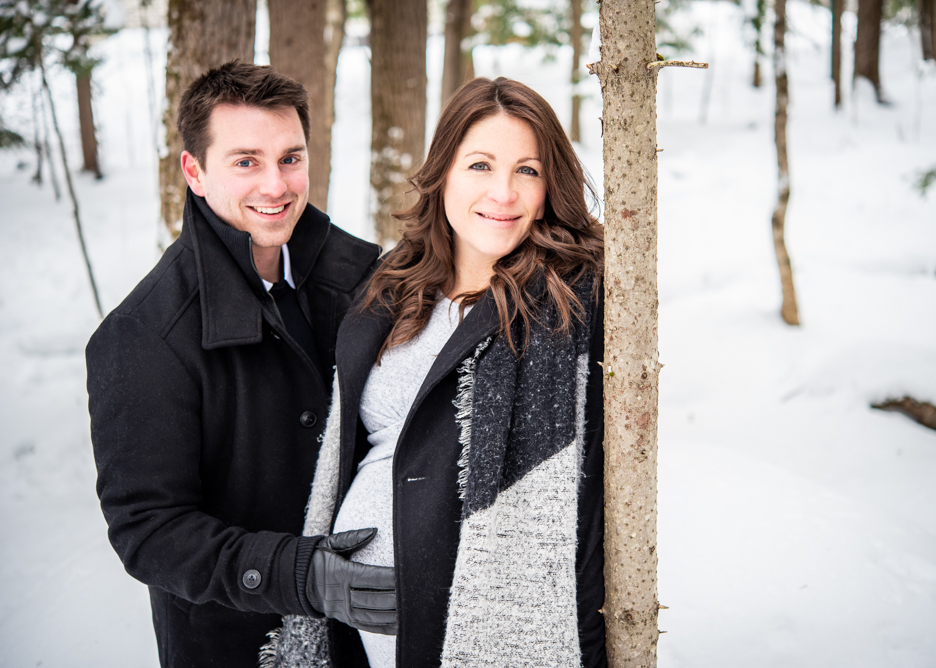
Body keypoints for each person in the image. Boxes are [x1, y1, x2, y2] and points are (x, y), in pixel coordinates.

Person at [271, 76, 607, 668]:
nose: (503, 192)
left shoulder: (571, 303)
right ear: (443, 171)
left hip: (472, 632)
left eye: (527, 170)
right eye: (480, 165)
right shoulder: (391, 287)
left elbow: (590, 503)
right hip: (353, 629)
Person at [86, 62, 396, 667]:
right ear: (194, 172)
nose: (276, 185)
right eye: (246, 161)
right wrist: (295, 574)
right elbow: (148, 529)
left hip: (370, 638)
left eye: (290, 158)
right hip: (234, 646)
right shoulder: (142, 335)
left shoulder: (364, 279)